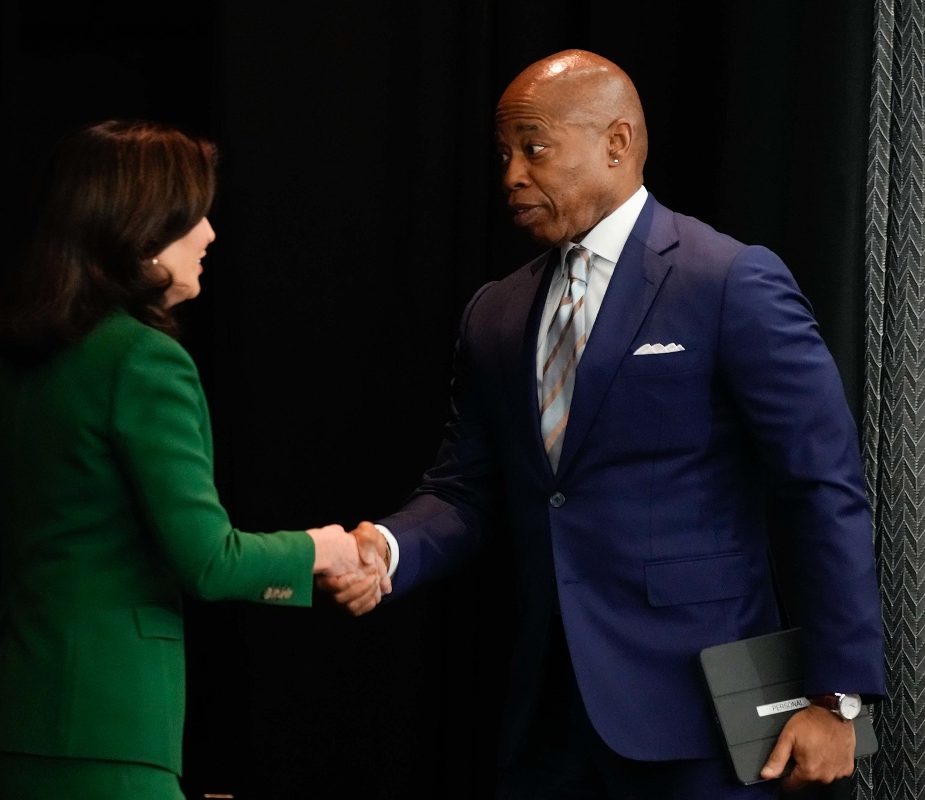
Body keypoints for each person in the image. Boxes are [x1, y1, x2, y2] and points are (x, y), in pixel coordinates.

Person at [320, 51, 884, 798]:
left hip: (702, 723)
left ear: (617, 143)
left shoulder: (730, 281)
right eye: (504, 154)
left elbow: (822, 488)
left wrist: (836, 700)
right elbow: (465, 490)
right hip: (548, 721)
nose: (512, 174)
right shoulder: (495, 313)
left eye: (534, 147)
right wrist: (388, 548)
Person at [0, 120, 388, 800]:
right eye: (194, 214)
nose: (210, 233)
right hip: (105, 730)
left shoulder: (17, 369)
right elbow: (208, 560)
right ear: (141, 225)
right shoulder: (144, 360)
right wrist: (322, 549)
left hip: (1, 721)